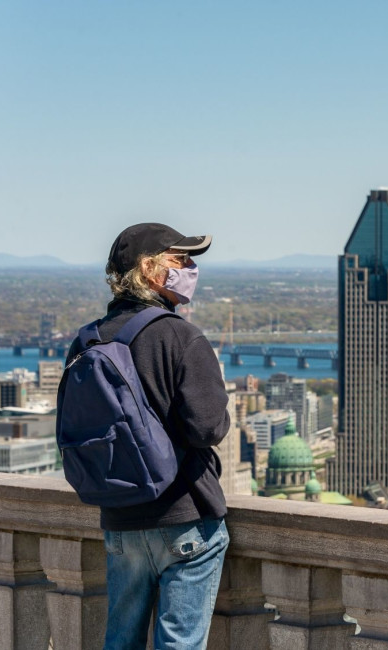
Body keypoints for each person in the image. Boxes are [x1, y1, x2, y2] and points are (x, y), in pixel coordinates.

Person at [60, 223, 231, 649]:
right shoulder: (181, 336)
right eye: (181, 259)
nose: (191, 268)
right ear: (151, 270)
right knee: (179, 643)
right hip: (184, 517)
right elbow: (208, 428)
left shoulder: (88, 340)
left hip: (119, 518)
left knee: (120, 641)